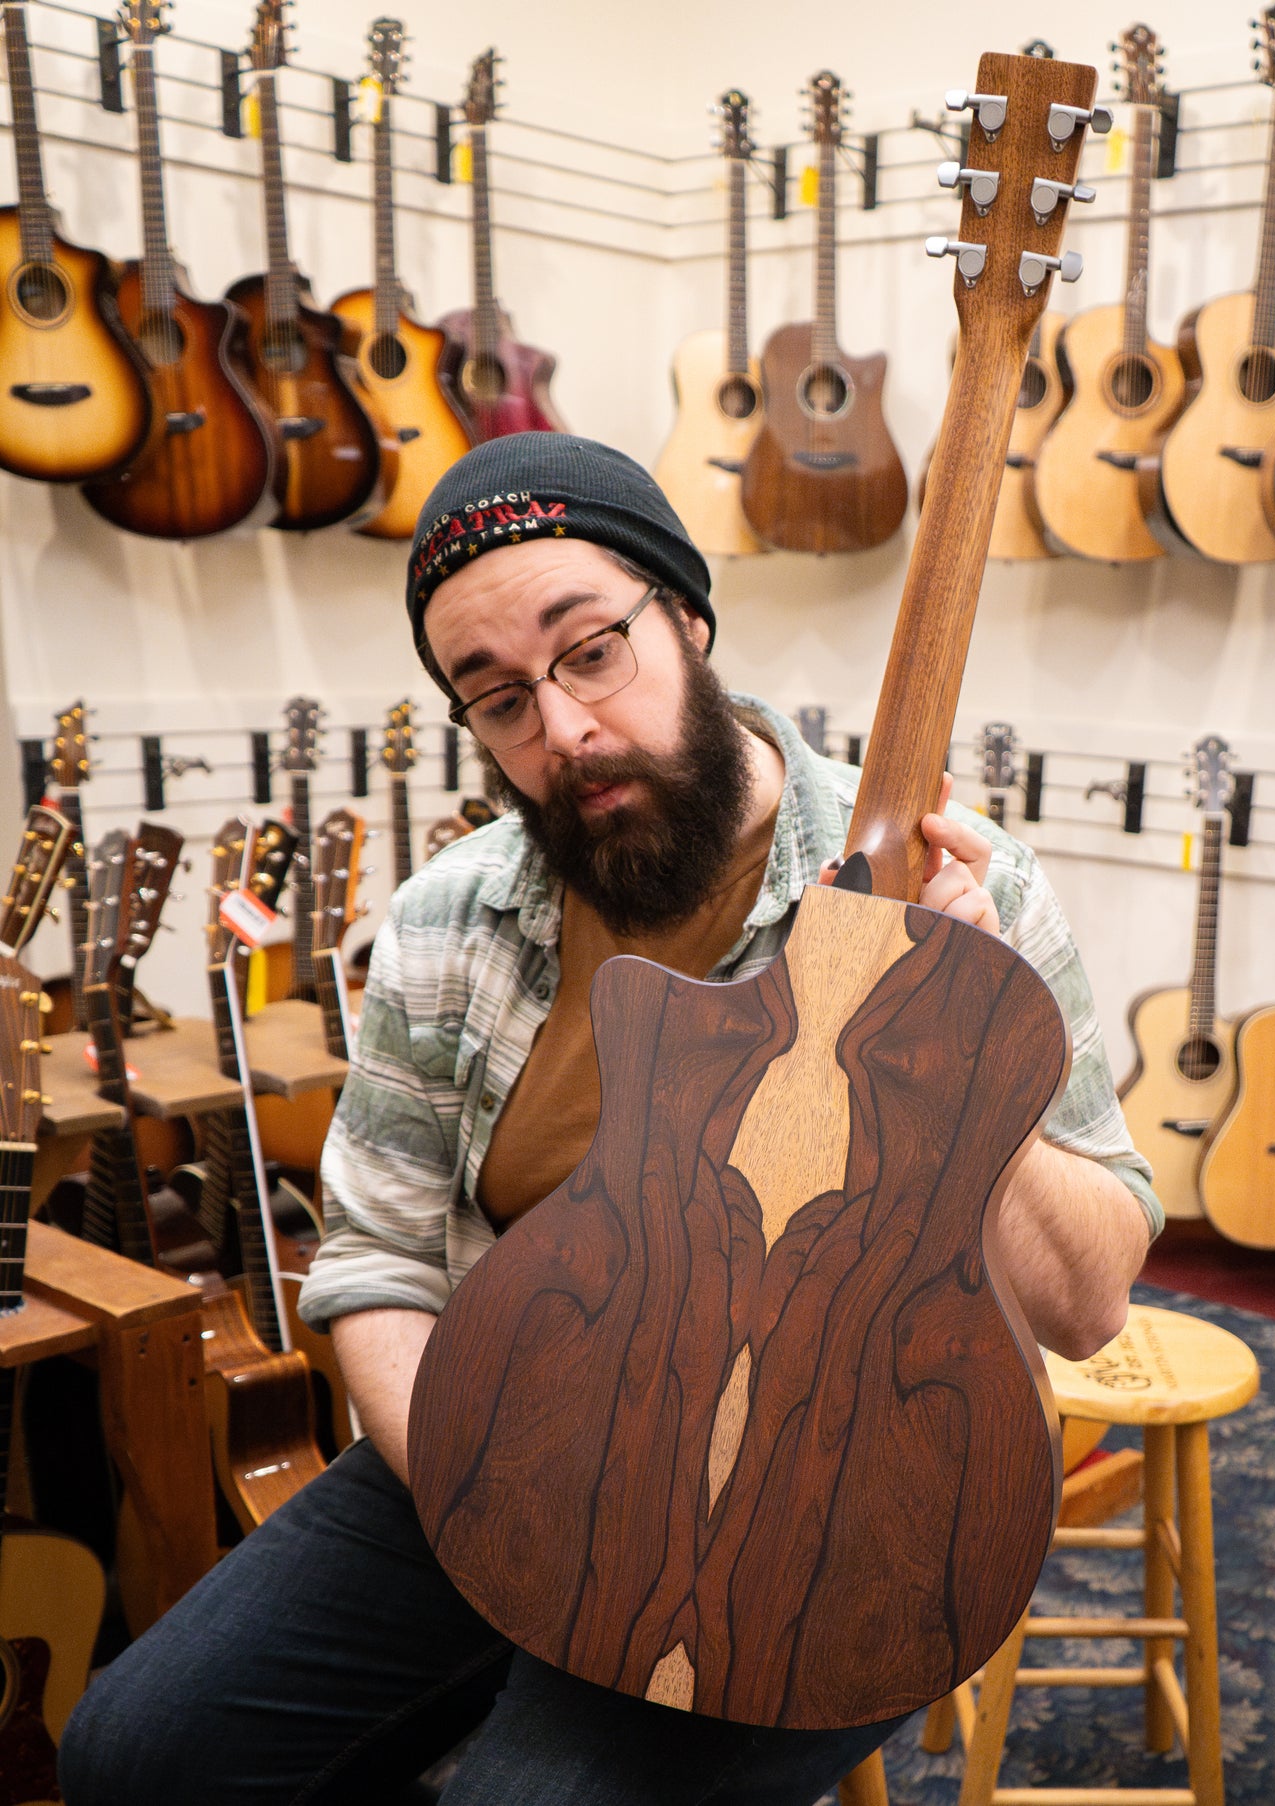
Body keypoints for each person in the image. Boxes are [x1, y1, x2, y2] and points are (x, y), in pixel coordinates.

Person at [60, 435, 1160, 1806]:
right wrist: (500, 1513)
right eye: (500, 697)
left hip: (832, 1505)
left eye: (591, 652)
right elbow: (379, 1265)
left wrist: (952, 1043)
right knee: (131, 1752)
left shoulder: (942, 882)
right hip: (505, 1446)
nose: (563, 729)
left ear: (687, 618)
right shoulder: (447, 920)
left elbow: (1087, 1300)